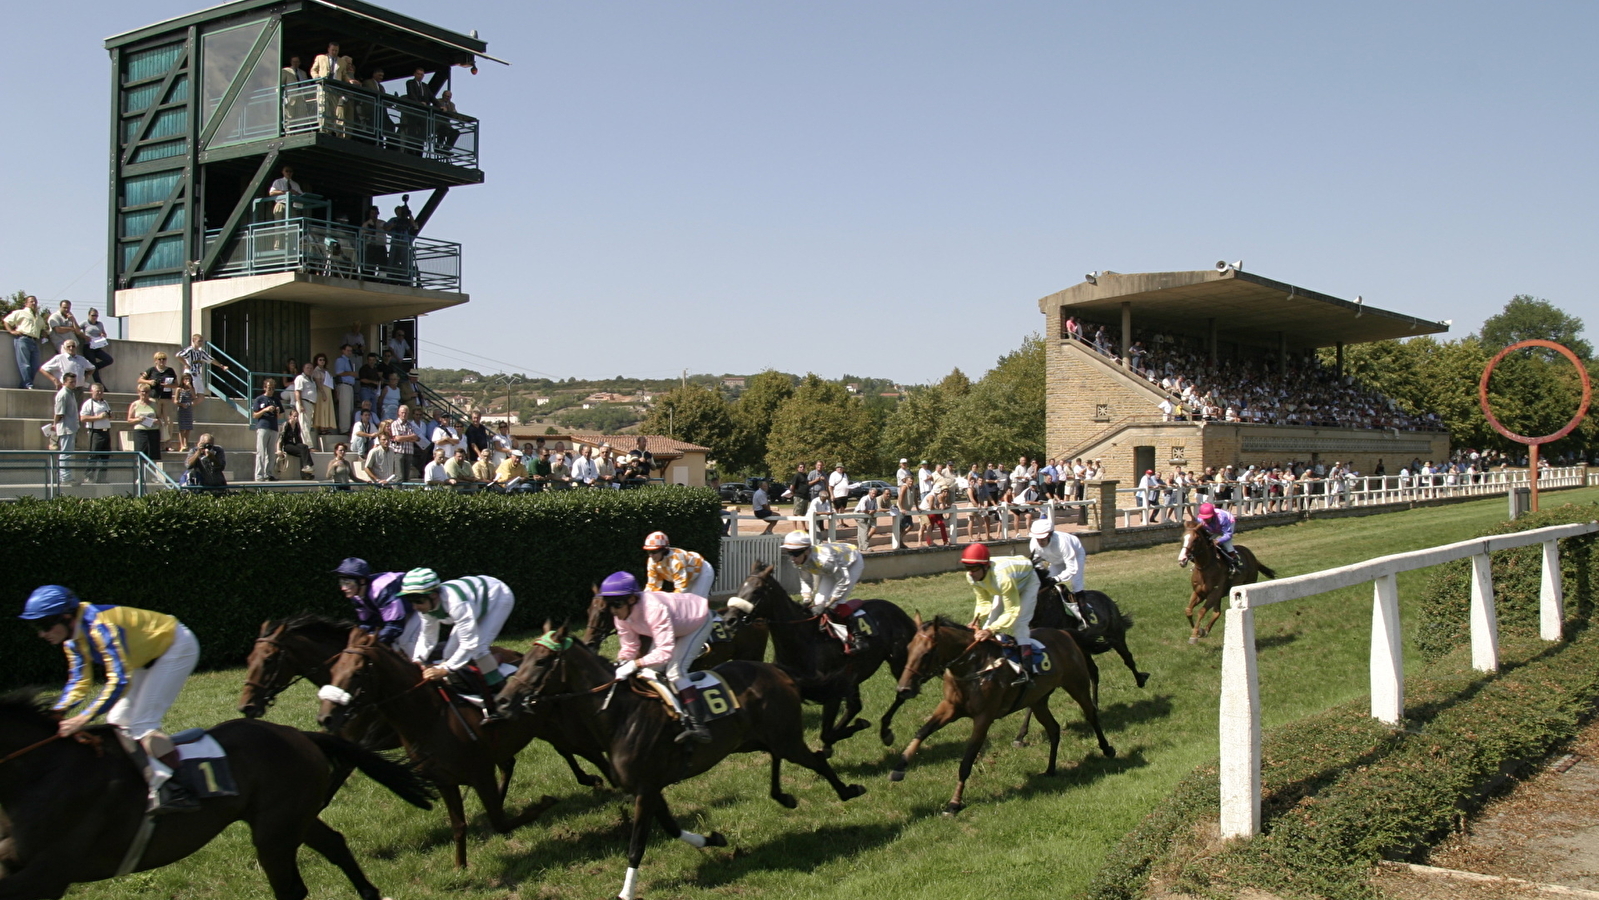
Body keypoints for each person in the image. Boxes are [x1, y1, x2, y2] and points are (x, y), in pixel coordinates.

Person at [21, 585, 202, 813]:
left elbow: (119, 680)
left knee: (142, 723)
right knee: (117, 721)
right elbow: (79, 681)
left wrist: (83, 718)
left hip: (176, 646)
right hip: (143, 657)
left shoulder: (100, 627)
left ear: (66, 617)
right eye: (36, 626)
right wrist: (58, 711)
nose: (41, 633)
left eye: (44, 625)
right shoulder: (72, 640)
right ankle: (146, 782)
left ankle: (181, 790)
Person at [598, 571, 715, 743]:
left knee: (676, 672)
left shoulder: (653, 609)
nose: (613, 610)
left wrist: (635, 663)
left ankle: (699, 727)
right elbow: (630, 647)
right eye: (608, 604)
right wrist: (622, 662)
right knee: (649, 670)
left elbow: (665, 652)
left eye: (616, 604)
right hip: (675, 622)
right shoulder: (621, 615)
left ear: (631, 599)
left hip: (697, 620)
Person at [397, 568, 515, 720]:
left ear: (433, 595)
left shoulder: (456, 603)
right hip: (475, 602)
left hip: (497, 598)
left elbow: (469, 644)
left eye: (418, 600)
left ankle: (503, 695)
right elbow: (427, 637)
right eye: (410, 601)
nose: (415, 606)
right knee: (449, 654)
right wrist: (417, 661)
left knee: (479, 648)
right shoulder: (427, 606)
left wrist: (444, 670)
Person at [960, 543, 1040, 684]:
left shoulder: (1002, 578)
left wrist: (991, 631)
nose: (970, 573)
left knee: (1019, 624)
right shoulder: (971, 576)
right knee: (987, 624)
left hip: (1026, 583)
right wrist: (977, 619)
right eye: (967, 568)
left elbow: (1011, 611)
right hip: (1005, 586)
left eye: (974, 568)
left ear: (986, 566)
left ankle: (1028, 671)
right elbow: (983, 601)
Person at [1028, 519, 1094, 630]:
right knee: (1046, 586)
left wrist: (1057, 578)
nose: (1040, 541)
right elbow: (1038, 564)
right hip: (1055, 560)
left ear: (1050, 534)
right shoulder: (1033, 544)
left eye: (1043, 538)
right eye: (1037, 538)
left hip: (1075, 555)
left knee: (1076, 583)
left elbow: (1072, 569)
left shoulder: (1062, 542)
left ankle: (1085, 618)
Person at [780, 531, 864, 615]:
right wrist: (807, 597)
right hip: (834, 567)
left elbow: (843, 579)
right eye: (789, 553)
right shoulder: (797, 560)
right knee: (819, 601)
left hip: (853, 561)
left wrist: (831, 601)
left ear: (807, 551)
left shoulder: (824, 560)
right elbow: (805, 579)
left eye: (795, 553)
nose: (792, 558)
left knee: (835, 603)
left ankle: (851, 625)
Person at [333, 558, 412, 645]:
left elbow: (395, 626)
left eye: (348, 583)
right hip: (401, 615)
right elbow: (368, 623)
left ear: (362, 581)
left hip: (418, 610)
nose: (343, 588)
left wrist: (375, 639)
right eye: (341, 582)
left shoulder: (381, 590)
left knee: (405, 643)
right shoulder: (356, 596)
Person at [643, 532, 716, 600]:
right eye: (648, 552)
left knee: (697, 602)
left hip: (702, 571)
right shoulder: (651, 562)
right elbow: (653, 585)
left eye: (654, 552)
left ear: (664, 550)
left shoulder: (676, 560)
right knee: (687, 604)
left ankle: (711, 614)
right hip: (688, 576)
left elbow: (681, 587)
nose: (651, 555)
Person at [4, 294, 50, 388]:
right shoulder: (20, 313)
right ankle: (28, 384)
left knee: (35, 365)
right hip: (23, 339)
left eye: (35, 302)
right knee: (25, 364)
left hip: (35, 341)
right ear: (26, 303)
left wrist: (44, 334)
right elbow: (7, 321)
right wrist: (11, 331)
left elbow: (43, 328)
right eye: (31, 301)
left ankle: (25, 384)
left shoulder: (38, 317)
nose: (34, 303)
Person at [79, 382, 113, 484]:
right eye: (97, 391)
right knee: (93, 455)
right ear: (92, 391)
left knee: (105, 457)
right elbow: (83, 418)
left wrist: (110, 415)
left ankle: (102, 477)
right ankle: (89, 476)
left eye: (101, 391)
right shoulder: (88, 403)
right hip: (96, 432)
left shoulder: (105, 403)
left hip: (106, 431)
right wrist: (98, 417)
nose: (99, 393)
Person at [250, 378, 283, 481]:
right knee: (261, 452)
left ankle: (268, 473)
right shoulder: (259, 399)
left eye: (273, 388)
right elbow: (255, 415)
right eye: (269, 388)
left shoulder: (276, 400)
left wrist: (277, 411)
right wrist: (265, 409)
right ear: (265, 388)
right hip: (263, 426)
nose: (271, 390)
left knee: (271, 453)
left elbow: (281, 416)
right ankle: (259, 475)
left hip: (273, 427)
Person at [138, 352, 178, 436]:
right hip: (154, 397)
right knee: (156, 418)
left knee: (168, 420)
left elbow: (176, 384)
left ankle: (167, 441)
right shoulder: (151, 370)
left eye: (164, 359)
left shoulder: (170, 370)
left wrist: (168, 385)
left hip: (166, 397)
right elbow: (140, 380)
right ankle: (157, 439)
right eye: (159, 359)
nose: (162, 361)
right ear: (155, 360)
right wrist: (149, 381)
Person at [1194, 501, 1240, 572]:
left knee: (1226, 542)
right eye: (1204, 518)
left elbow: (1228, 534)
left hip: (1228, 523)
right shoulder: (1200, 520)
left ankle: (1233, 559)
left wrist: (1219, 540)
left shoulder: (1222, 518)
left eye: (1207, 518)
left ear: (1212, 515)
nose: (1205, 520)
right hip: (1215, 527)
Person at [51, 373, 80, 479]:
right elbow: (59, 413)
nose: (73, 384)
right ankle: (64, 477)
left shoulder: (70, 393)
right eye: (71, 382)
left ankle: (65, 475)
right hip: (65, 427)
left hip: (71, 427)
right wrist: (55, 425)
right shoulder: (63, 394)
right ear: (64, 382)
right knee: (66, 453)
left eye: (74, 382)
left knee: (68, 453)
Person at [127, 384, 161, 460]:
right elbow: (129, 420)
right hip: (140, 432)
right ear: (139, 392)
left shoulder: (154, 404)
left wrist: (156, 421)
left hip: (153, 431)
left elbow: (160, 417)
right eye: (143, 392)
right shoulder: (135, 404)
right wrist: (138, 419)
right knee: (141, 455)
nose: (144, 394)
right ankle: (141, 471)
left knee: (153, 455)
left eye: (147, 392)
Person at [80, 308, 114, 384]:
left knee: (109, 360)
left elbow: (104, 333)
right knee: (93, 366)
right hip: (88, 346)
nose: (94, 317)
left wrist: (103, 335)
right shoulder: (85, 323)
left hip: (97, 346)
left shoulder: (100, 324)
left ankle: (93, 368)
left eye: (96, 316)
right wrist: (84, 336)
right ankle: (100, 385)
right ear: (89, 315)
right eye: (93, 315)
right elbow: (76, 330)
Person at [279, 407, 315, 479]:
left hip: (294, 443)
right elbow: (280, 438)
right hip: (287, 445)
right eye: (294, 416)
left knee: (304, 448)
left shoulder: (297, 425)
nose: (296, 418)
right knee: (303, 451)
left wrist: (304, 447)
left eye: (297, 416)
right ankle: (307, 469)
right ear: (290, 416)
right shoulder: (286, 424)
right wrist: (279, 449)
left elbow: (298, 438)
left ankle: (306, 473)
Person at [332, 343, 358, 433]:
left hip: (350, 386)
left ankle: (347, 428)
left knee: (349, 409)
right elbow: (339, 372)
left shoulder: (349, 361)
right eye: (348, 350)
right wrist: (351, 373)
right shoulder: (341, 360)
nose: (350, 352)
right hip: (344, 385)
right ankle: (344, 429)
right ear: (343, 351)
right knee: (345, 409)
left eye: (351, 350)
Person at [173, 373, 199, 452]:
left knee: (188, 428)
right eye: (185, 379)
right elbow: (175, 400)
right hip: (181, 409)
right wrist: (181, 404)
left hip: (188, 409)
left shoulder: (191, 389)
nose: (187, 381)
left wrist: (190, 387)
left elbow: (194, 397)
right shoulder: (179, 389)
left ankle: (186, 443)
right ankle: (182, 444)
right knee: (182, 428)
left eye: (189, 379)